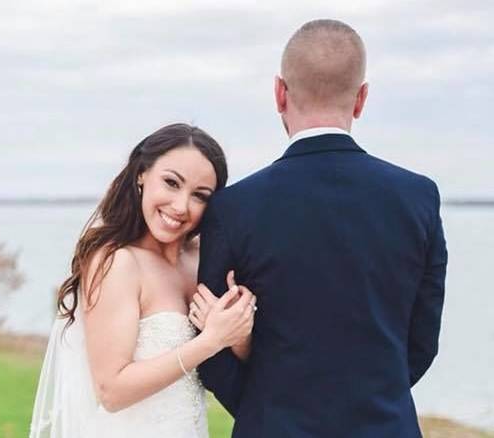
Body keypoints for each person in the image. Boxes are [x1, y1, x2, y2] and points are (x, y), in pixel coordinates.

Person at [192, 19, 448, 437]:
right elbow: (421, 342)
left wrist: (265, 413)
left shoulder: (233, 207)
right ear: (362, 98)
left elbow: (210, 348)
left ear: (279, 93)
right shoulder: (418, 197)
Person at [29, 123, 257, 438]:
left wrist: (239, 334)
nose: (180, 207)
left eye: (200, 196)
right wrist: (209, 341)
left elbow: (238, 358)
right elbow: (111, 390)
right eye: (171, 183)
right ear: (141, 174)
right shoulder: (117, 262)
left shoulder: (204, 260)